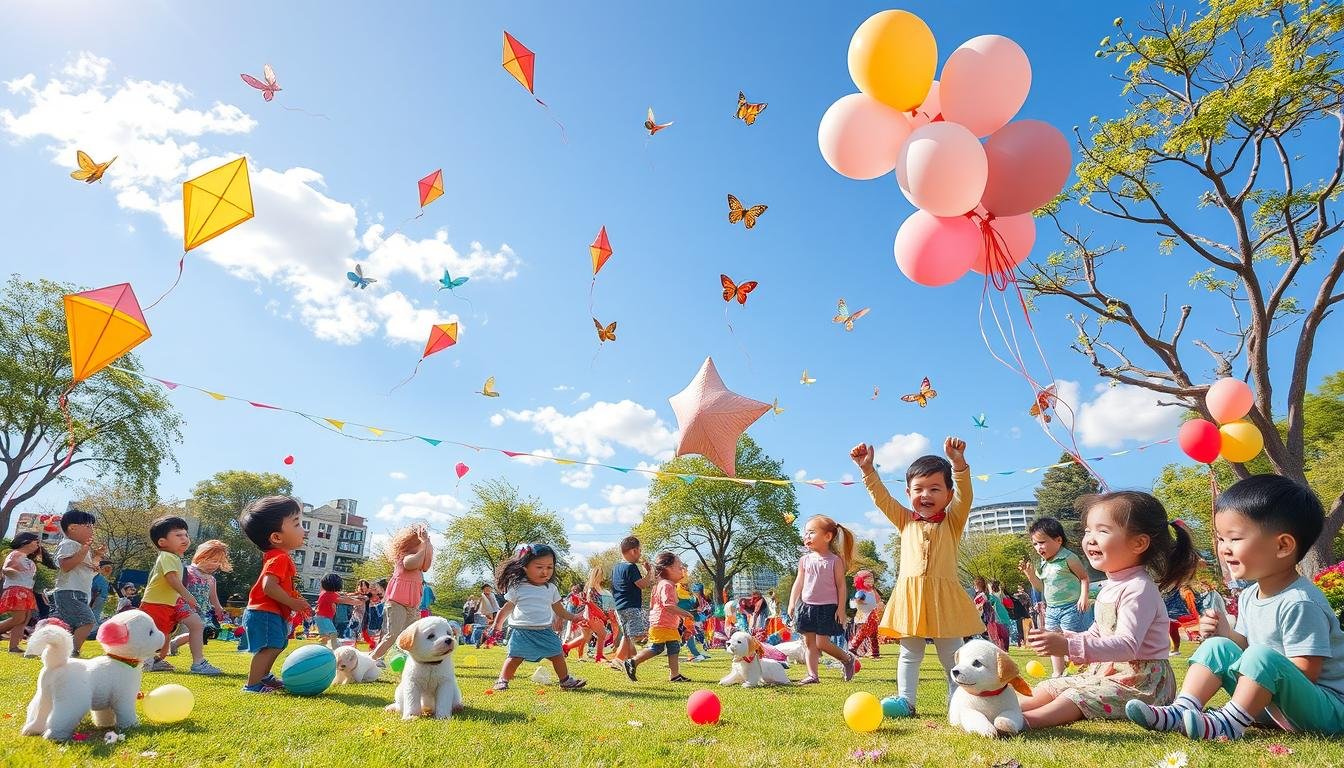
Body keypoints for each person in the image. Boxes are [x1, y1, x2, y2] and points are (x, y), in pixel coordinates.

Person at [1127, 475, 1344, 740]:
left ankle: (1229, 723)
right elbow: (1242, 645)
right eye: (1221, 539)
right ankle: (1181, 709)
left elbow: (1306, 671)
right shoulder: (1250, 595)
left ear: (1282, 546)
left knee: (1260, 656)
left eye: (1235, 538)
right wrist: (1224, 633)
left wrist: (1261, 664)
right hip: (1272, 705)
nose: (1224, 549)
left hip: (1326, 712)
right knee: (1218, 647)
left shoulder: (1300, 602)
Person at [1020, 491, 1200, 729]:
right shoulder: (1109, 587)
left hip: (1141, 682)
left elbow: (1127, 646)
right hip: (1108, 672)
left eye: (1102, 531)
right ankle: (1004, 707)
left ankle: (1025, 722)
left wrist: (1068, 647)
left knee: (1075, 697)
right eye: (1087, 531)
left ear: (1139, 543)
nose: (1090, 539)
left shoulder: (1139, 588)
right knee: (1053, 686)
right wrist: (1065, 638)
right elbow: (1098, 632)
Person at [853, 437, 982, 716]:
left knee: (952, 657)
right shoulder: (904, 520)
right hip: (910, 599)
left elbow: (965, 495)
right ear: (909, 492)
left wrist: (958, 464)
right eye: (918, 489)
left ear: (948, 494)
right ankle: (906, 702)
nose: (926, 495)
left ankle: (959, 703)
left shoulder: (953, 520)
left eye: (935, 489)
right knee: (909, 654)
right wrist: (867, 471)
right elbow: (882, 499)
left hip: (944, 599)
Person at [237, 496, 311, 693]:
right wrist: (292, 603)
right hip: (264, 611)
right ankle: (253, 685)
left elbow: (288, 588)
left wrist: (299, 602)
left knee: (278, 644)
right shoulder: (278, 558)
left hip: (271, 612)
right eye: (297, 524)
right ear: (276, 537)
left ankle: (264, 677)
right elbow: (268, 586)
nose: (304, 529)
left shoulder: (282, 558)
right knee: (270, 646)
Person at [489, 543, 587, 690]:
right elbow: (507, 608)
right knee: (515, 657)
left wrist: (574, 617)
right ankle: (502, 680)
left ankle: (565, 681)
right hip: (522, 631)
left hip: (544, 631)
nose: (545, 572)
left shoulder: (551, 589)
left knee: (557, 654)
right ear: (525, 567)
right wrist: (497, 624)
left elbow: (559, 610)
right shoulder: (517, 587)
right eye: (539, 567)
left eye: (549, 567)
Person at [141, 516, 222, 675]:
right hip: (156, 603)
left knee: (192, 626)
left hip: (169, 603)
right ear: (162, 542)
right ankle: (147, 661)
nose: (184, 538)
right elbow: (171, 579)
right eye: (178, 535)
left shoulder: (175, 558)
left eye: (186, 535)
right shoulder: (167, 556)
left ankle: (196, 662)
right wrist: (188, 596)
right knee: (157, 635)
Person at [788, 514, 861, 685]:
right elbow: (798, 582)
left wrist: (841, 609)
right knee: (809, 643)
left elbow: (842, 586)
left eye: (811, 533)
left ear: (827, 537)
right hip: (806, 607)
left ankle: (847, 659)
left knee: (822, 643)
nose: (807, 537)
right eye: (805, 533)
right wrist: (792, 602)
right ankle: (813, 675)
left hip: (827, 608)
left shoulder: (835, 561)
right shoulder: (804, 560)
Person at [1019, 516, 1092, 677]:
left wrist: (1083, 597)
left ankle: (1081, 671)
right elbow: (1041, 587)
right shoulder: (1044, 563)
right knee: (1053, 642)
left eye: (1042, 542)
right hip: (1051, 609)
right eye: (1035, 544)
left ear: (1058, 540)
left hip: (1071, 607)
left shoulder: (1068, 558)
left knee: (1072, 639)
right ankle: (1058, 673)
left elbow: (1084, 577)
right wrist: (1030, 575)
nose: (1038, 547)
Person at [622, 552, 694, 683]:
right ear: (668, 569)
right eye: (679, 567)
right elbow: (668, 605)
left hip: (666, 624)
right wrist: (686, 614)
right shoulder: (666, 585)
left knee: (674, 647)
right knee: (657, 647)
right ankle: (632, 662)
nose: (682, 569)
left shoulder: (662, 584)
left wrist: (679, 619)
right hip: (662, 624)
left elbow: (654, 605)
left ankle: (675, 675)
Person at [371, 523, 433, 662]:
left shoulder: (420, 557)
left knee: (411, 635)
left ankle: (413, 662)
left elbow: (426, 565)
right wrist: (424, 544)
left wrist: (427, 545)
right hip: (397, 601)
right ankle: (373, 659)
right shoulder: (404, 557)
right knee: (392, 634)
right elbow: (411, 564)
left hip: (412, 604)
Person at [52, 507, 106, 655]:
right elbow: (65, 566)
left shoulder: (82, 548)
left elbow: (90, 571)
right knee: (88, 621)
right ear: (73, 528)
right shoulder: (69, 544)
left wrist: (98, 556)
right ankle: (72, 651)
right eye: (88, 526)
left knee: (65, 625)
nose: (92, 530)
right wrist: (83, 551)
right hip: (69, 591)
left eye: (92, 527)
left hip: (79, 592)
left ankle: (58, 649)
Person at [170, 540, 231, 654]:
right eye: (213, 561)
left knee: (200, 631)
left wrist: (218, 609)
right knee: (181, 629)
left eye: (219, 562)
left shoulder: (211, 579)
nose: (215, 565)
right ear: (202, 556)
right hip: (184, 607)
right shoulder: (188, 571)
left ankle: (175, 643)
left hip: (201, 610)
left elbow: (213, 597)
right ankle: (167, 647)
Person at [0, 533, 54, 652]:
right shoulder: (16, 554)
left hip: (26, 591)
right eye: (36, 542)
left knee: (24, 619)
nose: (38, 545)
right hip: (17, 589)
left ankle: (14, 646)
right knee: (19, 618)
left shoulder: (28, 559)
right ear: (26, 542)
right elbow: (6, 567)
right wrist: (9, 571)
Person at [611, 536, 654, 664]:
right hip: (631, 605)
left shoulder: (616, 568)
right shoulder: (631, 567)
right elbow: (642, 584)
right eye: (639, 550)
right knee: (637, 634)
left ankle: (628, 659)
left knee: (627, 634)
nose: (640, 553)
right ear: (633, 551)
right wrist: (649, 572)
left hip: (619, 606)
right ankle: (618, 660)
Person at [562, 567, 611, 663]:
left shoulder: (594, 588)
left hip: (589, 616)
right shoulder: (592, 589)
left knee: (585, 637)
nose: (602, 577)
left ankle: (565, 647)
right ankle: (599, 656)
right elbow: (590, 604)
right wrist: (595, 617)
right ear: (597, 576)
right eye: (601, 575)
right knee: (602, 634)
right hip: (591, 616)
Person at [314, 573, 360, 649]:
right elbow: (346, 600)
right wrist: (359, 602)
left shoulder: (327, 593)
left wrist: (357, 597)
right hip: (323, 618)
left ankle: (322, 650)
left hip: (321, 618)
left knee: (325, 637)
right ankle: (335, 650)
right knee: (333, 634)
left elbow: (345, 596)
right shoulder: (329, 595)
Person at [849, 569, 884, 659]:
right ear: (862, 581)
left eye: (872, 578)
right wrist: (860, 603)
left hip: (872, 615)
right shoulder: (861, 592)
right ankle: (852, 648)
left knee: (873, 634)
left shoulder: (872, 591)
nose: (871, 581)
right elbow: (856, 601)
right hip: (865, 616)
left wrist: (879, 605)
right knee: (862, 633)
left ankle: (875, 652)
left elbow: (878, 601)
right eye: (868, 579)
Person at [89, 560, 113, 633]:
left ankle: (95, 628)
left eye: (110, 569)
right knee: (94, 613)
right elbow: (93, 589)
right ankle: (93, 630)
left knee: (96, 613)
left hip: (101, 598)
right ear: (100, 568)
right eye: (107, 568)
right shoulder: (96, 576)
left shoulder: (103, 579)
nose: (109, 570)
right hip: (97, 597)